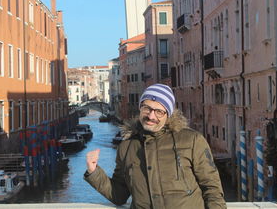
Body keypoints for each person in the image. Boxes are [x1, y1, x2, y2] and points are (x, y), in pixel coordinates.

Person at [84, 83, 226, 209]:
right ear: (140, 108)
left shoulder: (192, 140)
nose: (151, 116)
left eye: (159, 111)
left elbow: (212, 188)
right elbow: (119, 195)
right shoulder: (126, 147)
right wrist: (94, 172)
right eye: (147, 108)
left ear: (168, 114)